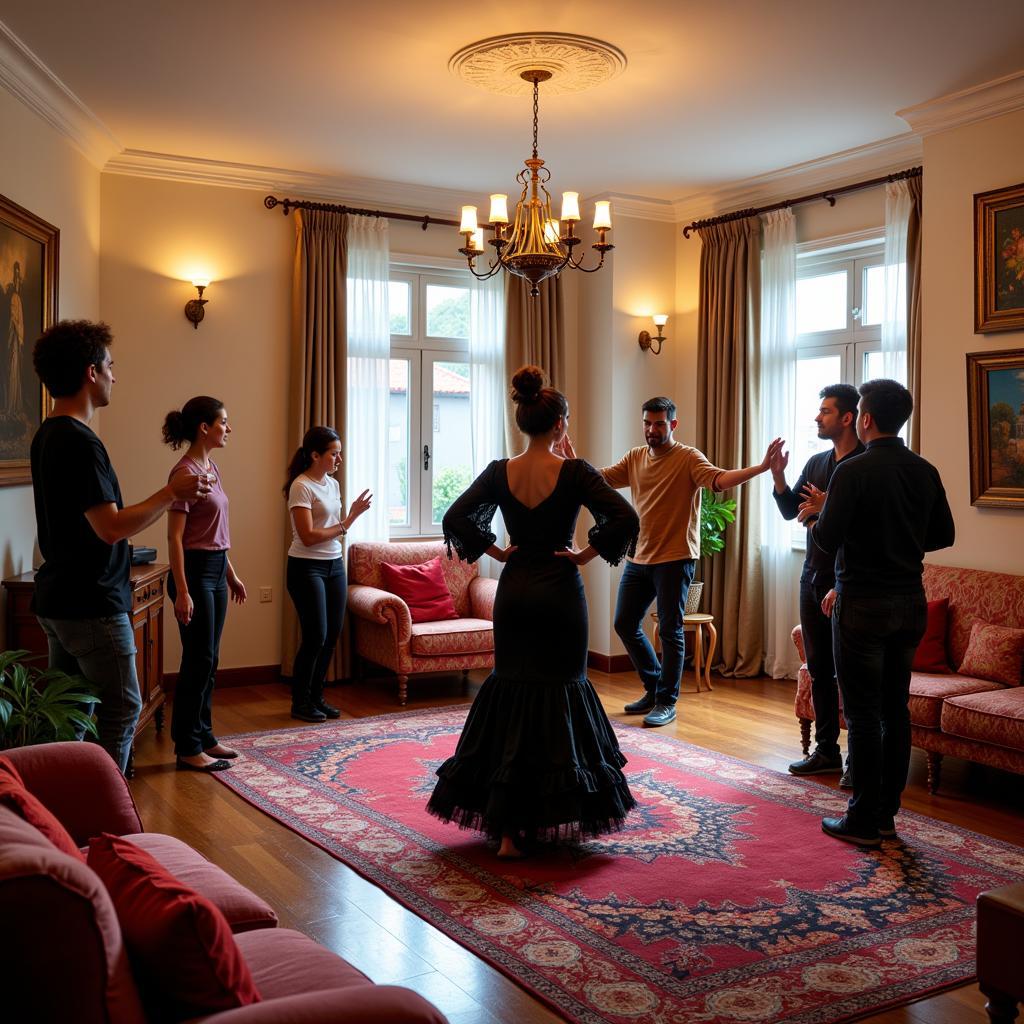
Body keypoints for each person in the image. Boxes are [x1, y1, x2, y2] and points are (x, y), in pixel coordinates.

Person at [427, 365, 640, 859]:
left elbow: (455, 516)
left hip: (516, 588)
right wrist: (586, 555)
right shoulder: (576, 471)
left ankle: (505, 832)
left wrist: (497, 553)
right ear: (560, 423)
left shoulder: (501, 470)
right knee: (560, 693)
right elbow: (624, 516)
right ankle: (552, 812)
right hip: (560, 593)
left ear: (522, 420)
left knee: (511, 689)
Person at [30, 320, 209, 774]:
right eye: (110, 365)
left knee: (73, 716)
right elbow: (109, 528)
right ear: (91, 372)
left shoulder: (48, 433)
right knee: (123, 709)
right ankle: (101, 816)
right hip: (91, 603)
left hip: (59, 598)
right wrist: (172, 493)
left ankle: (61, 817)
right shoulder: (79, 442)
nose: (115, 375)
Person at [809, 379, 954, 846]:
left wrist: (821, 519)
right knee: (896, 710)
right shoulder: (924, 469)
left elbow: (826, 539)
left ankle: (863, 818)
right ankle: (887, 815)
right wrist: (901, 538)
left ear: (865, 419)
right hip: (910, 602)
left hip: (863, 604)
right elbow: (943, 535)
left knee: (864, 714)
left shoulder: (852, 473)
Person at [591, 398, 783, 727]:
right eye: (648, 423)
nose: (652, 430)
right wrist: (565, 460)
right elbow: (601, 479)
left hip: (676, 559)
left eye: (660, 424)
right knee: (625, 623)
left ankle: (667, 701)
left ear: (673, 425)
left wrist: (762, 468)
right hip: (639, 556)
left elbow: (719, 480)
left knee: (670, 630)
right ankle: (653, 688)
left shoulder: (688, 458)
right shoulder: (635, 457)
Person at [771, 384, 864, 785]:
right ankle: (827, 750)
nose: (816, 418)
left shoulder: (865, 466)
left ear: (847, 418)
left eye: (825, 411)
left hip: (847, 584)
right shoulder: (817, 462)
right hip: (812, 577)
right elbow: (794, 510)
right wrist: (778, 477)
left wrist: (824, 513)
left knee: (851, 673)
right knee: (819, 669)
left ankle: (857, 763)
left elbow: (864, 531)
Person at [162, 396, 246, 772]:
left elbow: (215, 531)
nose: (228, 429)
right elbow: (175, 538)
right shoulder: (184, 474)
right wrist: (182, 591)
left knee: (210, 660)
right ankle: (187, 747)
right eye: (224, 422)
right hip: (193, 573)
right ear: (204, 428)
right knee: (197, 660)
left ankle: (205, 736)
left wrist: (231, 574)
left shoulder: (211, 467)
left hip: (214, 568)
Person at [284, 426, 372, 722]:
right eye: (334, 453)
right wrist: (349, 521)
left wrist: (345, 523)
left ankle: (316, 697)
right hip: (306, 567)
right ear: (315, 455)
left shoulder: (332, 485)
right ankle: (300, 701)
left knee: (332, 634)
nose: (339, 459)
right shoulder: (301, 486)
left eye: (339, 453)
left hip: (334, 564)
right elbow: (308, 536)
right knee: (315, 635)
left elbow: (329, 530)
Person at [5, 261, 24, 416]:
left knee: (14, 369)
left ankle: (14, 403)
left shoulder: (17, 298)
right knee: (12, 368)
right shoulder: (14, 298)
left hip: (16, 339)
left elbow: (17, 320)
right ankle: (11, 404)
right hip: (14, 339)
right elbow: (13, 319)